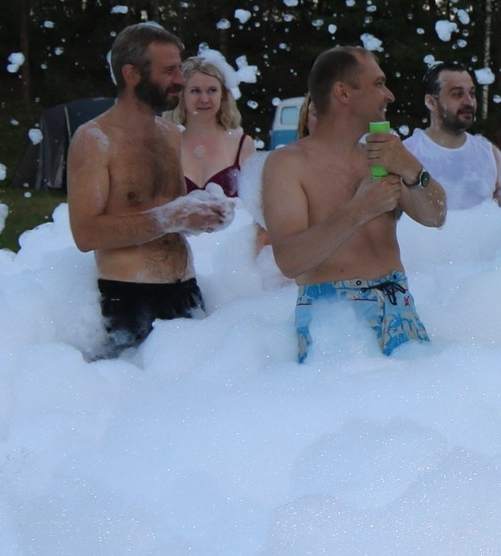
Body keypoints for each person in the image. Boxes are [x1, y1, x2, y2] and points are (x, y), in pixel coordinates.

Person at [263, 46, 447, 359]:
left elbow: (436, 216)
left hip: (399, 302)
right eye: (378, 84)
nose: (388, 95)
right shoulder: (287, 164)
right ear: (343, 93)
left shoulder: (381, 156)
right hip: (333, 318)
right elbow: (289, 261)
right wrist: (359, 209)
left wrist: (412, 169)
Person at [68, 22, 234, 356]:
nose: (180, 79)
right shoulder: (95, 139)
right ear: (131, 74)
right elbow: (86, 233)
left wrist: (203, 213)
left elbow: (168, 211)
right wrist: (171, 217)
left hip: (186, 292)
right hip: (128, 299)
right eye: (169, 70)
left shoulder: (170, 135)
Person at [405, 64, 501, 212]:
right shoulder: (407, 153)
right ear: (431, 102)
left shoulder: (491, 155)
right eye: (457, 94)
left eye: (472, 94)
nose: (469, 102)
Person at [175, 50, 256, 199]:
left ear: (223, 95)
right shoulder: (166, 143)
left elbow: (256, 206)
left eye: (212, 90)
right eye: (195, 91)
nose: (204, 99)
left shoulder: (242, 144)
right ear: (182, 95)